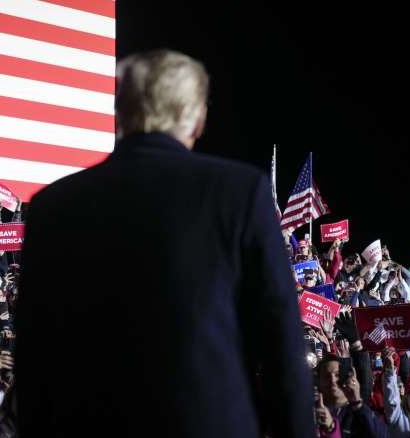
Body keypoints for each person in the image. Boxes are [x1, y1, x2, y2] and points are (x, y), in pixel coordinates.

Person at [17, 49, 313, 437]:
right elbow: (281, 348)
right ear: (199, 119)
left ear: (120, 113)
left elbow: (34, 360)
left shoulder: (51, 206)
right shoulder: (241, 193)